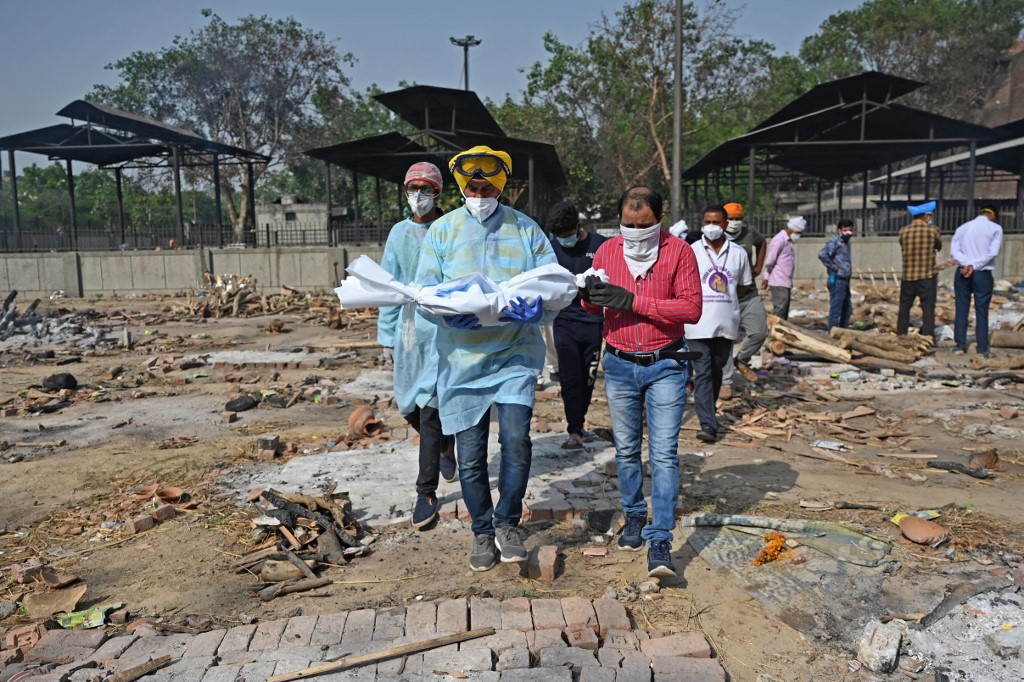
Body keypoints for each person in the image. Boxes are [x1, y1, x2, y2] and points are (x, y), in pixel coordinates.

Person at [415, 145, 557, 572]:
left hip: (515, 352)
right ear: (460, 185)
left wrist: (540, 307)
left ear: (500, 184)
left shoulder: (526, 229)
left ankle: (508, 522)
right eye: (471, 184)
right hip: (460, 360)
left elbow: (553, 283)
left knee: (516, 442)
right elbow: (421, 293)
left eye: (486, 184)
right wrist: (446, 311)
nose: (479, 190)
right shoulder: (441, 233)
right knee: (472, 456)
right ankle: (482, 531)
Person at [581, 186, 702, 579]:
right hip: (618, 364)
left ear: (660, 218)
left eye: (644, 225)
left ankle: (661, 537)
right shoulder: (607, 252)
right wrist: (589, 296)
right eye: (628, 225)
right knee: (626, 449)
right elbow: (593, 305)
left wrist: (632, 300)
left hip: (665, 363)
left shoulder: (679, 252)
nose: (635, 232)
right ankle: (633, 515)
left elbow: (691, 308)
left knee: (664, 453)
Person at [377, 162, 456, 530]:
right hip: (410, 330)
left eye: (426, 189)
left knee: (430, 409)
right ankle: (443, 445)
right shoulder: (398, 233)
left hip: (444, 328)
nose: (419, 196)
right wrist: (386, 334)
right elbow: (388, 286)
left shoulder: (451, 228)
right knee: (407, 405)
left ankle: (426, 491)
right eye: (413, 188)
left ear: (439, 192)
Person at [684, 205, 753, 444]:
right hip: (696, 324)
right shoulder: (690, 251)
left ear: (725, 224)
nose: (711, 227)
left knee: (715, 372)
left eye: (716, 222)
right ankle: (708, 424)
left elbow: (742, 286)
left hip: (726, 324)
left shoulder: (738, 253)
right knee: (702, 373)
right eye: (706, 222)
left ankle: (708, 413)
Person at [546, 200, 607, 450]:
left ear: (578, 226)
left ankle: (579, 425)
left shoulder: (600, 245)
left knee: (588, 378)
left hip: (593, 322)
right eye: (559, 236)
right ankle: (574, 430)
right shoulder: (550, 249)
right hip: (564, 322)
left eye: (568, 235)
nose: (564, 240)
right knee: (570, 378)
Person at [719, 202, 767, 397]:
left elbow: (761, 242)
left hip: (749, 294)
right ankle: (725, 382)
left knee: (759, 332)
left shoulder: (749, 232)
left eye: (738, 219)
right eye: (730, 218)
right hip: (724, 297)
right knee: (726, 339)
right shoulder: (716, 236)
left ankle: (742, 359)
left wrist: (757, 267)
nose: (735, 223)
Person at [950, 206, 1004, 358]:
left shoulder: (962, 228)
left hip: (962, 272)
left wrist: (966, 264)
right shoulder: (995, 228)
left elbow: (955, 251)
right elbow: (993, 252)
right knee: (981, 310)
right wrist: (974, 266)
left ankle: (960, 345)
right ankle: (982, 349)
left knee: (961, 308)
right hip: (982, 273)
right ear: (991, 214)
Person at [897, 201, 942, 339]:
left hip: (908, 277)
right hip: (927, 276)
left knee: (904, 308)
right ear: (927, 216)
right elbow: (938, 246)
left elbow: (902, 245)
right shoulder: (933, 230)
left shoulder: (903, 231)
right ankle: (928, 337)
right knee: (928, 309)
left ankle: (901, 335)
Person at [763, 216, 804, 319]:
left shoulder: (787, 241)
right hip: (779, 281)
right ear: (791, 229)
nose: (798, 235)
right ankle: (775, 333)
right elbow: (769, 261)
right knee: (780, 313)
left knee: (784, 312)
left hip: (785, 281)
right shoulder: (780, 239)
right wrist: (766, 277)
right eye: (798, 232)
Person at [818, 219, 854, 331]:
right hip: (838, 279)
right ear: (839, 230)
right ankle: (832, 332)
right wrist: (833, 266)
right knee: (836, 308)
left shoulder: (846, 242)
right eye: (845, 230)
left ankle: (843, 331)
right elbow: (822, 254)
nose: (848, 233)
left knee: (847, 309)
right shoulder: (835, 242)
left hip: (845, 279)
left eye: (850, 230)